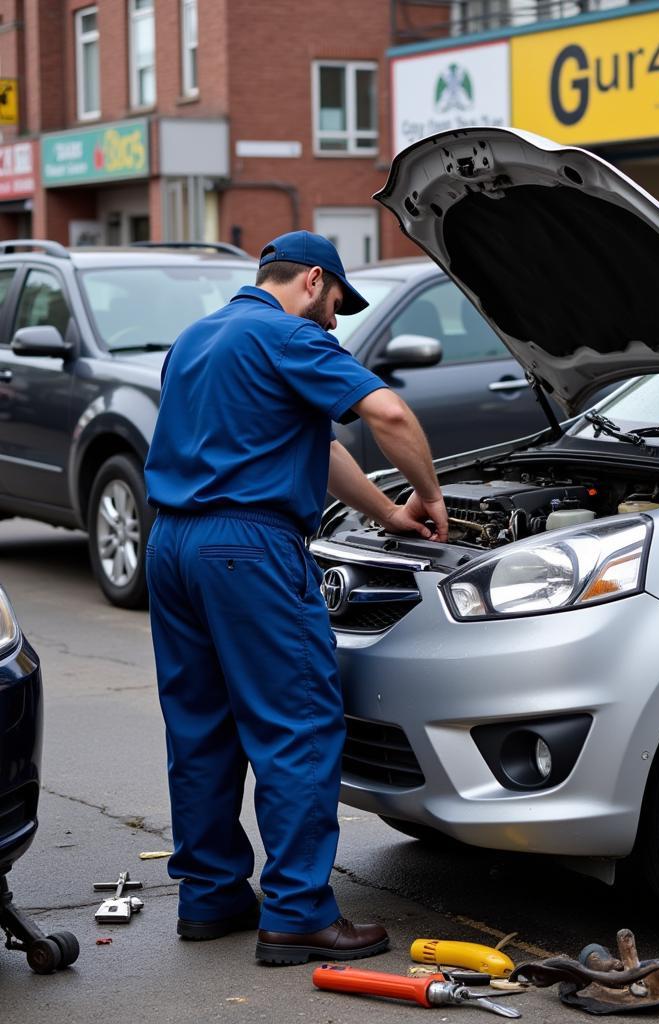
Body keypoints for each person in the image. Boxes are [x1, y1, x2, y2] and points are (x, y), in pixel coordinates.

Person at [144, 230, 449, 965]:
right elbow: (391, 417)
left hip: (172, 546)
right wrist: (432, 496)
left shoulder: (199, 337)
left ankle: (211, 896)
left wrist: (388, 513)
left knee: (202, 727)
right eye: (338, 305)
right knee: (299, 723)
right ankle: (299, 913)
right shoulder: (289, 335)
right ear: (313, 281)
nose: (336, 325)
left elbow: (325, 449)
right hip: (246, 550)